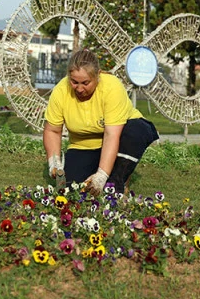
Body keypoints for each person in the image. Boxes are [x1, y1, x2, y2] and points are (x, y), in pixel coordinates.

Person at [43, 49, 160, 195]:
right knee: (73, 188)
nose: (79, 88)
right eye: (74, 82)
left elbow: (111, 135)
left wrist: (101, 176)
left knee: (136, 131)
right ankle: (100, 170)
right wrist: (54, 161)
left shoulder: (111, 87)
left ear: (98, 76)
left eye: (85, 83)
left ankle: (118, 181)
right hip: (84, 145)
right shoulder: (61, 91)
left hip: (120, 138)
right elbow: (53, 130)